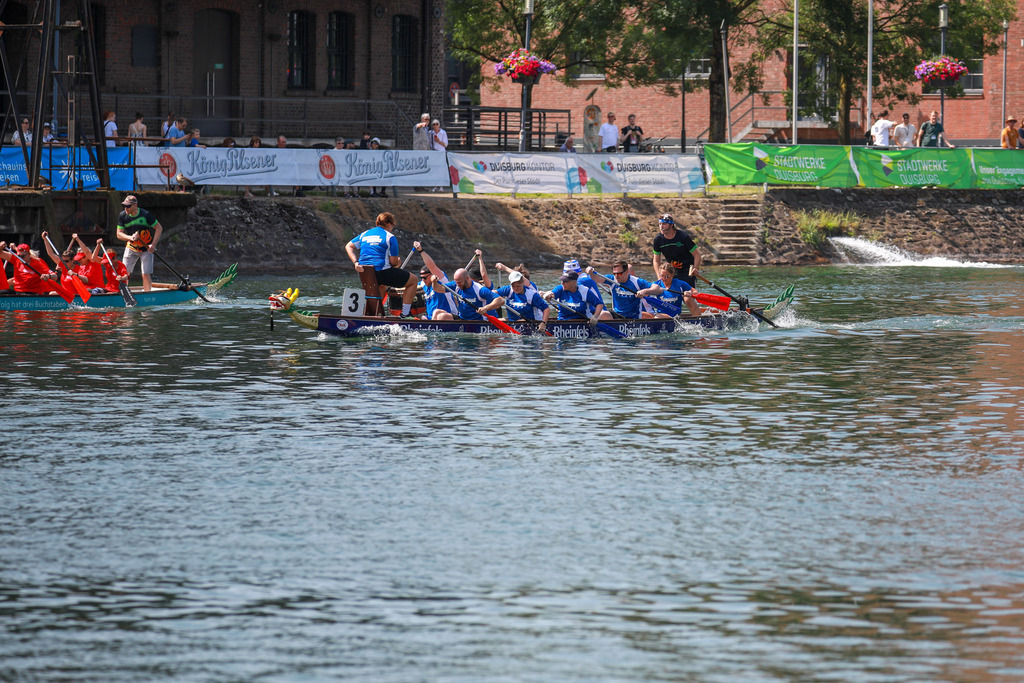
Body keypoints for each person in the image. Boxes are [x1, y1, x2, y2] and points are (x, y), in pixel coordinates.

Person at [345, 211, 419, 318]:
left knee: (382, 285)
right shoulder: (390, 237)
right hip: (381, 273)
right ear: (389, 224)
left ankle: (373, 314)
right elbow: (393, 262)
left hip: (365, 273)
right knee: (413, 280)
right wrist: (398, 262)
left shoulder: (364, 234)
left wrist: (356, 263)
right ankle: (406, 313)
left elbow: (348, 246)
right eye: (392, 225)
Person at [115, 194, 163, 292]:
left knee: (145, 273)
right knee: (125, 273)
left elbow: (159, 228)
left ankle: (147, 294)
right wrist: (131, 238)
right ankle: (125, 292)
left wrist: (153, 245)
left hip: (146, 248)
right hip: (131, 247)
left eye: (128, 206)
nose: (126, 208)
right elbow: (119, 234)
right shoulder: (122, 216)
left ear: (135, 205)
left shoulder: (146, 215)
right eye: (125, 206)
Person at [585, 261, 656, 319]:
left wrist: (644, 291)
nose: (616, 276)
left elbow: (657, 288)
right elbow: (596, 278)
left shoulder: (637, 282)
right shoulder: (612, 280)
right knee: (603, 314)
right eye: (614, 273)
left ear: (626, 272)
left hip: (633, 318)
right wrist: (591, 272)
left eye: (618, 273)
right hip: (617, 315)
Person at [651, 213, 701, 287]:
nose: (661, 226)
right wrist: (659, 276)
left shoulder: (683, 236)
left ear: (671, 225)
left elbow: (697, 255)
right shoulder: (658, 239)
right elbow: (656, 260)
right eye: (660, 224)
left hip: (687, 271)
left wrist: (695, 269)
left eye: (664, 224)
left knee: (687, 296)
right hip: (671, 272)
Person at [412, 241, 456, 320]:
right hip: (431, 318)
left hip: (448, 316)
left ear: (432, 275)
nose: (423, 280)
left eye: (425, 278)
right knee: (420, 318)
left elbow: (432, 266)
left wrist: (421, 251)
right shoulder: (421, 285)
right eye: (421, 278)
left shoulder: (442, 280)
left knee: (437, 314)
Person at [542, 270, 607, 323]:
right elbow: (552, 294)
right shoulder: (560, 289)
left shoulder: (584, 291)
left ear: (574, 282)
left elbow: (599, 304)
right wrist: (547, 295)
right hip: (563, 321)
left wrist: (595, 316)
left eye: (565, 281)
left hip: (583, 322)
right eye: (562, 281)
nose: (562, 283)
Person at [429, 119, 448, 191]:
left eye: (436, 124)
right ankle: (435, 185)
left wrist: (438, 141)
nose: (435, 126)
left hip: (441, 152)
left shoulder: (443, 133)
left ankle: (441, 186)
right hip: (434, 152)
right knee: (434, 169)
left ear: (439, 125)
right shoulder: (431, 133)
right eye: (434, 124)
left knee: (441, 169)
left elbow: (445, 144)